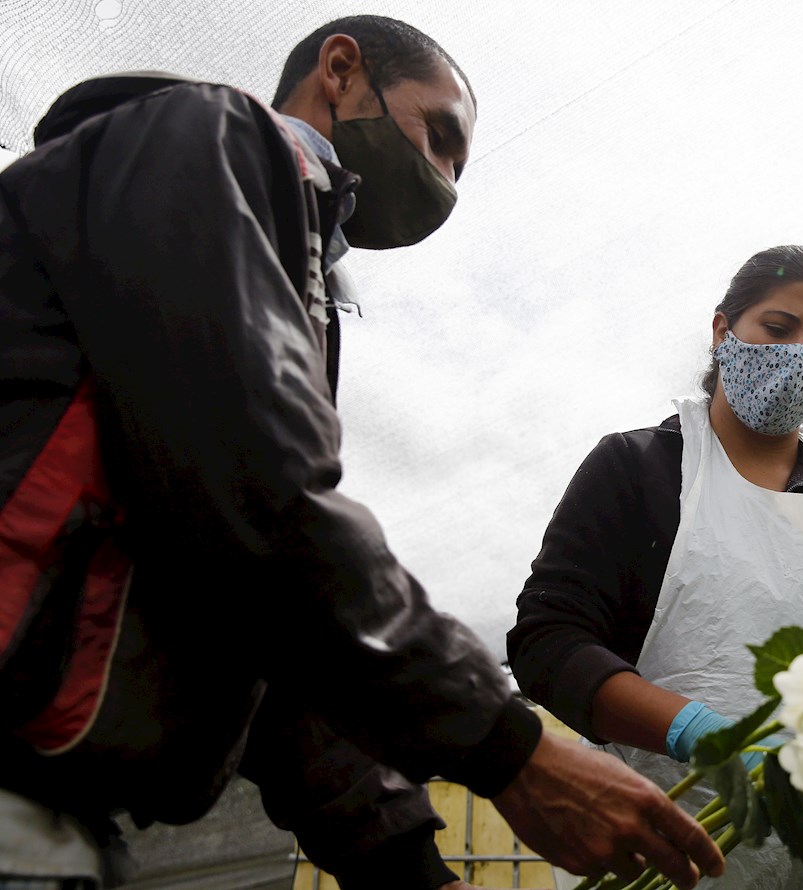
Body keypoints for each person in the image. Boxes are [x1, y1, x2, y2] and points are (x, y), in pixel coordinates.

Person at [0, 15, 724, 890]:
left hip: (64, 811)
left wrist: (411, 870)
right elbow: (259, 494)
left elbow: (259, 616)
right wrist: (510, 745)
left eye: (462, 167)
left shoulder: (283, 269)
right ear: (339, 69)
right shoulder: (207, 139)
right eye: (440, 134)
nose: (448, 183)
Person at [508, 245, 803, 890]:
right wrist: (702, 735)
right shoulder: (640, 471)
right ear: (723, 331)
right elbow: (548, 643)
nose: (798, 354)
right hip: (676, 853)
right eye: (777, 328)